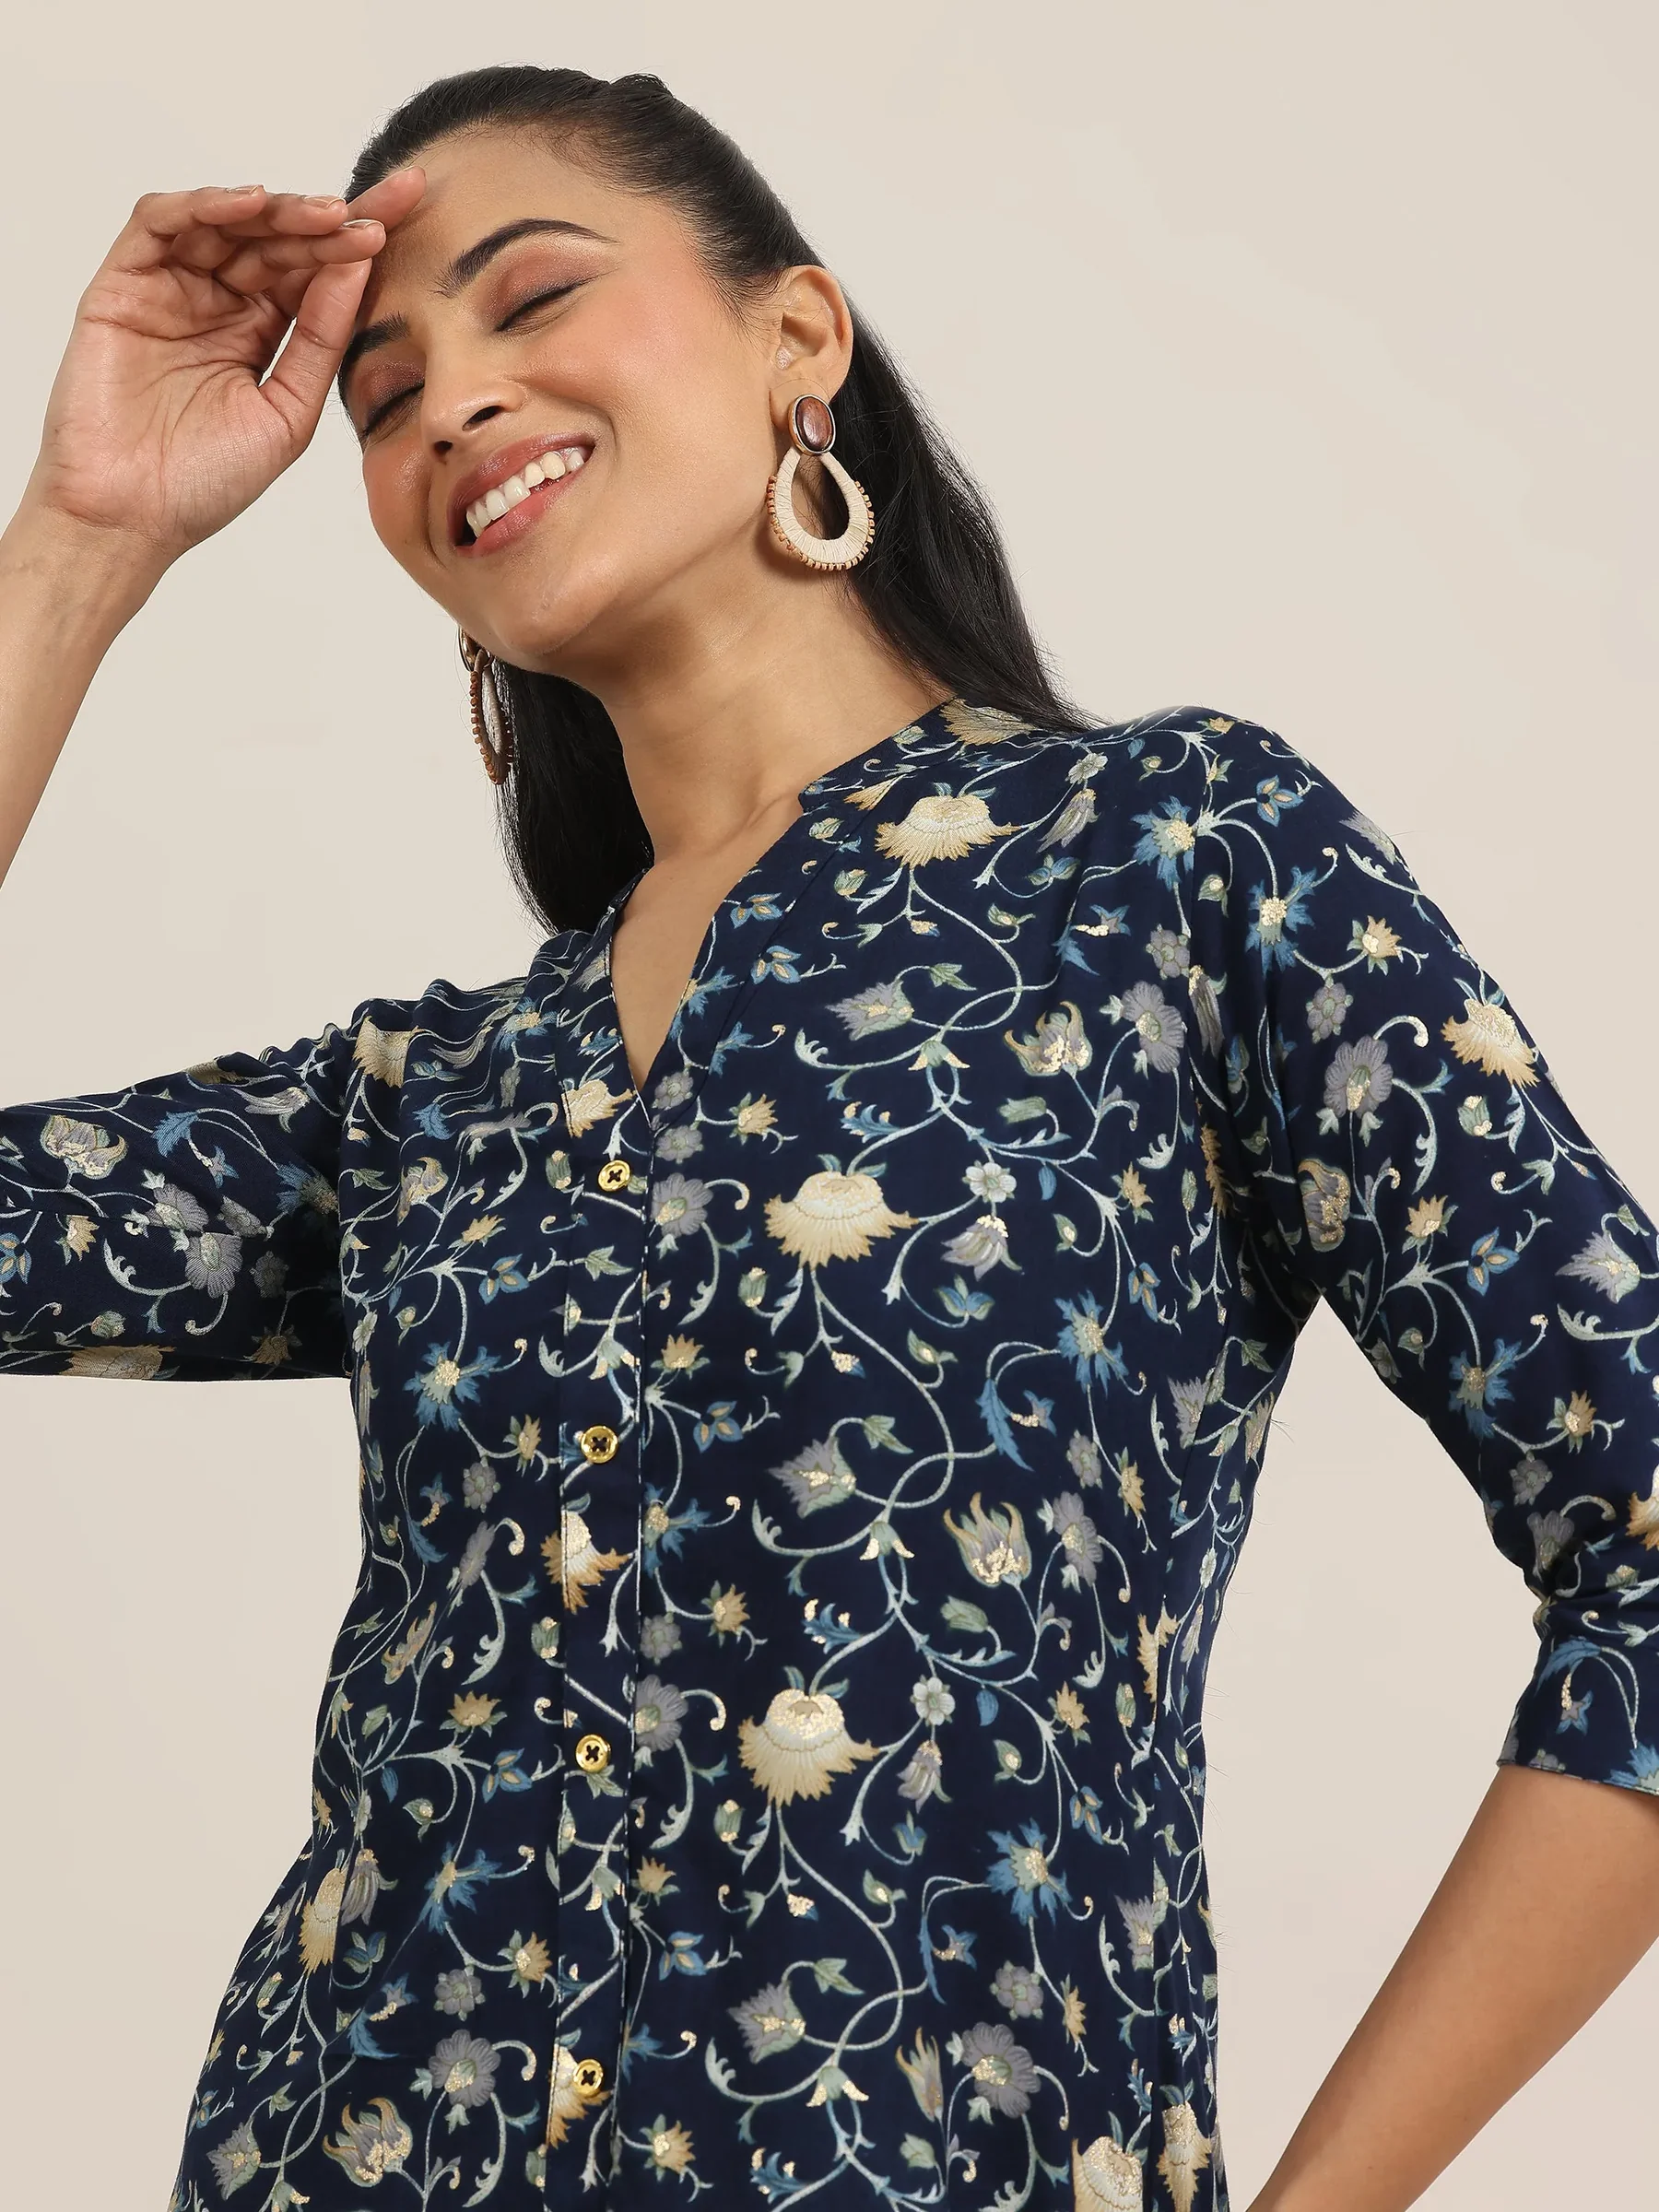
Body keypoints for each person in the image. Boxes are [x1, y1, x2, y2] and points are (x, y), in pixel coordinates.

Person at [1, 60, 1655, 2212]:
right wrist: (86, 538)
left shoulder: (1170, 864)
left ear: (799, 333)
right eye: (383, 399)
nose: (455, 406)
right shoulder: (438, 1102)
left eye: (534, 298)